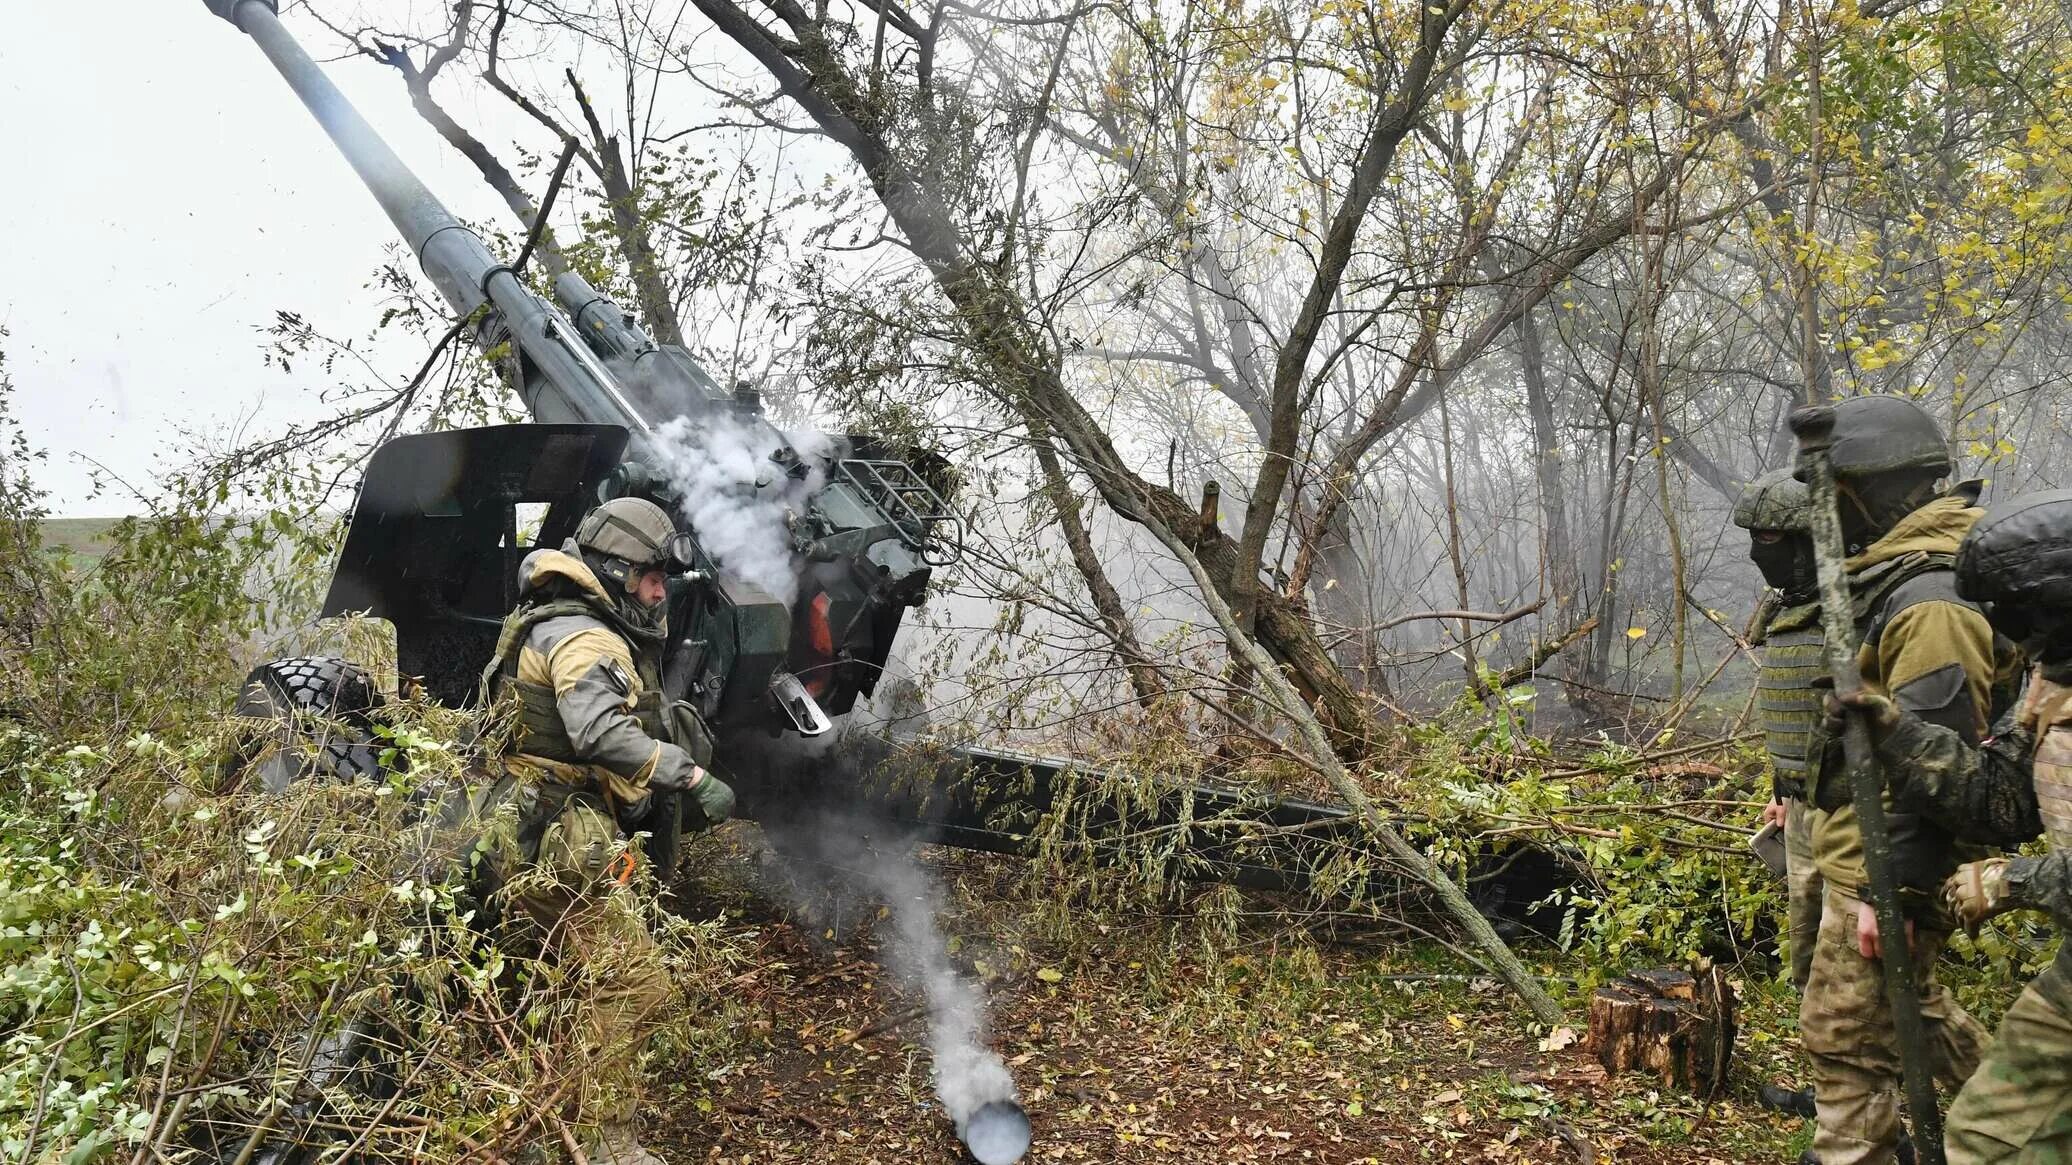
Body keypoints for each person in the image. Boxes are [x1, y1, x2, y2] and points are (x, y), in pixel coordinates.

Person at [479, 496, 736, 1165]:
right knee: (635, 986)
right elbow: (597, 729)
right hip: (552, 830)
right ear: (617, 571)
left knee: (564, 983)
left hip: (525, 822)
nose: (660, 590)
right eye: (651, 575)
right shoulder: (586, 635)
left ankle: (544, 1132)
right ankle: (600, 1142)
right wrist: (686, 774)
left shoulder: (554, 617)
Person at [1796, 396, 2019, 1165]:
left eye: (1840, 497)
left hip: (1883, 864)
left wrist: (1899, 892)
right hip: (1866, 855)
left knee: (1847, 1044)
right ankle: (2033, 1104)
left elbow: (1941, 764)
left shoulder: (1930, 599)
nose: (1834, 516)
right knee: (1904, 1016)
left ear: (1876, 491)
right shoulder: (1900, 579)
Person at [1834, 489, 2072, 1163]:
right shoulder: (2050, 678)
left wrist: (2010, 881)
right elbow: (2001, 798)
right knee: (1986, 1136)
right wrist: (1896, 733)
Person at [1734, 469, 1826, 1118]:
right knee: (1808, 950)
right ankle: (1831, 1089)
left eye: (1770, 536)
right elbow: (1789, 707)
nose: (1759, 548)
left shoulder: (1852, 609)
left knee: (1845, 964)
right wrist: (1779, 789)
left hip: (1848, 811)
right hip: (1801, 805)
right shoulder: (1786, 605)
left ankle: (1854, 1103)